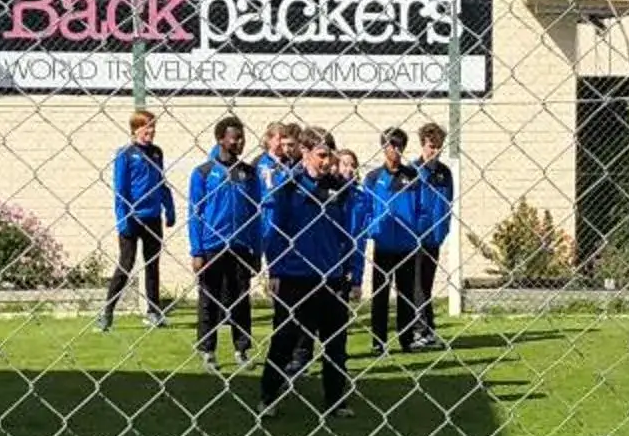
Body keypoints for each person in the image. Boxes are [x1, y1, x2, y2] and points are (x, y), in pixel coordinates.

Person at [261, 130, 361, 416]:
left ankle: (334, 400)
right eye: (320, 154)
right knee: (284, 340)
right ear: (304, 153)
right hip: (295, 276)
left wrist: (350, 270)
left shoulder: (339, 189)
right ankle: (268, 397)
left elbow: (348, 233)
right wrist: (275, 270)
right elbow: (275, 231)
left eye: (329, 154)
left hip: (330, 278)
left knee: (336, 344)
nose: (327, 160)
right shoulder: (288, 187)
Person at [186, 117, 263, 372]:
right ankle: (208, 350)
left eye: (242, 137)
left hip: (241, 246)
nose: (240, 142)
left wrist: (257, 250)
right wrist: (197, 251)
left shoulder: (248, 174)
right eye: (235, 137)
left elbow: (255, 214)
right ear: (221, 139)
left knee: (241, 299)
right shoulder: (203, 173)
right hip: (212, 246)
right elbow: (195, 213)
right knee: (209, 298)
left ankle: (242, 349)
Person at [362, 128, 442, 355]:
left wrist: (416, 231)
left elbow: (421, 209)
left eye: (399, 146)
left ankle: (407, 339)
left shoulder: (413, 176)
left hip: (407, 246)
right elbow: (367, 208)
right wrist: (373, 230)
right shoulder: (374, 177)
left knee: (406, 294)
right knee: (380, 294)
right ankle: (379, 341)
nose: (395, 151)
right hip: (384, 245)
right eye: (390, 146)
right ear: (383, 147)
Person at [101, 111, 175, 332]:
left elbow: (162, 182)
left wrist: (169, 208)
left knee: (152, 265)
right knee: (126, 263)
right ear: (135, 129)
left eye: (153, 127)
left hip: (153, 217)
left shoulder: (156, 153)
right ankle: (107, 312)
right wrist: (123, 219)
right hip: (132, 218)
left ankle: (153, 311)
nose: (150, 132)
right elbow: (120, 190)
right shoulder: (125, 154)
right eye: (146, 128)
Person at [414, 122, 457, 348]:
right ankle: (421, 330)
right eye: (431, 146)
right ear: (423, 145)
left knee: (426, 285)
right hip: (415, 237)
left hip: (434, 237)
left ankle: (427, 330)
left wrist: (444, 229)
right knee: (417, 285)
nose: (435, 151)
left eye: (439, 146)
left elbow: (448, 203)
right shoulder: (412, 171)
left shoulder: (445, 173)